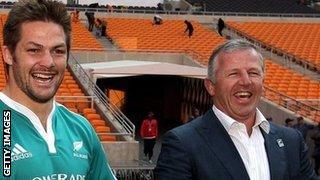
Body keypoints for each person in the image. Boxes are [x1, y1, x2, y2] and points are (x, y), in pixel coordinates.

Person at [155, 39, 318, 180]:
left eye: (253, 73)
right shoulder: (182, 143)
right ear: (210, 86)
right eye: (233, 74)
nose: (246, 81)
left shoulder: (292, 141)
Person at [0, 0, 116, 179]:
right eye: (33, 50)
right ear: (8, 54)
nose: (48, 62)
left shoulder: (81, 128)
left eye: (58, 51)